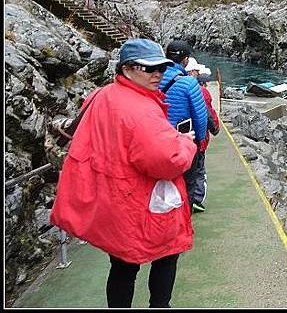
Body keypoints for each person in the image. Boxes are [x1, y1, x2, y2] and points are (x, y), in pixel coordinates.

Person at [50, 38, 198, 308]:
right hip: (140, 202)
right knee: (168, 254)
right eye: (149, 68)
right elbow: (169, 160)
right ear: (127, 68)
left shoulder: (103, 94)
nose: (158, 74)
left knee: (122, 266)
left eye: (162, 68)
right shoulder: (140, 110)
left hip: (113, 200)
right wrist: (185, 143)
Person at [159, 41, 208, 213]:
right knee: (187, 182)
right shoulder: (189, 83)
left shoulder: (154, 77)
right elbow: (200, 117)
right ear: (185, 60)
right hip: (182, 140)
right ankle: (183, 219)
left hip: (156, 138)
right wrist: (200, 143)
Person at [184, 57, 220, 212]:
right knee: (198, 172)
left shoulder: (173, 86)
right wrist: (214, 130)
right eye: (197, 71)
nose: (198, 73)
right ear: (191, 72)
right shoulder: (201, 92)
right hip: (197, 140)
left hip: (182, 139)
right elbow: (207, 115)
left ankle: (186, 201)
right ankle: (196, 200)